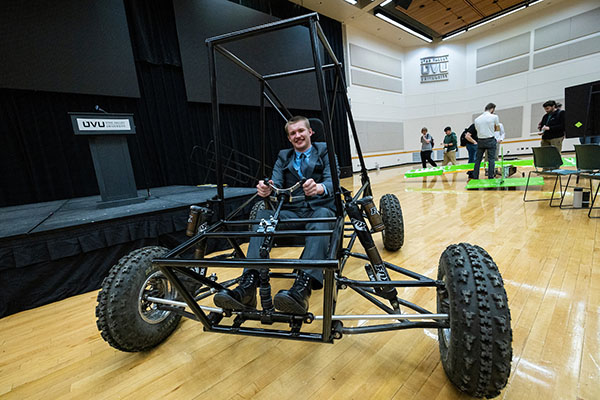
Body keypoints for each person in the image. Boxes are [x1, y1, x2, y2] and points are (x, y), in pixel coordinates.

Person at [214, 116, 335, 315]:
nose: (297, 136)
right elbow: (275, 183)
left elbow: (333, 182)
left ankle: (301, 290)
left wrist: (320, 188)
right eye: (293, 133)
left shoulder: (324, 151)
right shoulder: (283, 156)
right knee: (264, 215)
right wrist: (266, 188)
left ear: (310, 132)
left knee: (322, 217)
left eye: (301, 131)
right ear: (289, 138)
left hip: (318, 209)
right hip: (292, 212)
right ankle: (248, 285)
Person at [472, 103, 500, 179]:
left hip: (480, 141)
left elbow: (477, 130)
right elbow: (497, 129)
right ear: (492, 109)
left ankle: (475, 177)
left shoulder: (477, 119)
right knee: (491, 159)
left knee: (478, 160)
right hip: (490, 140)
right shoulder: (494, 117)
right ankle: (490, 177)